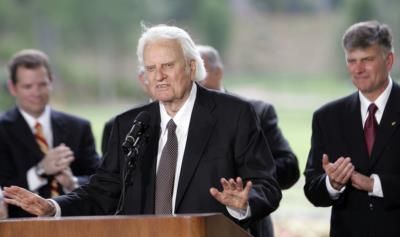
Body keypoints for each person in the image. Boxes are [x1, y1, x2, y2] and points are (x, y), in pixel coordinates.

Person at [4, 25, 281, 233]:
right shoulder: (129, 124)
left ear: (191, 66)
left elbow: (267, 186)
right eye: (150, 68)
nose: (158, 76)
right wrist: (53, 207)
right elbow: (102, 191)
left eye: (167, 66)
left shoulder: (234, 114)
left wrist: (241, 204)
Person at [304, 20, 400, 236]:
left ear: (389, 60)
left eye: (367, 60)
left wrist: (373, 184)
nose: (358, 69)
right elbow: (312, 189)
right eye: (352, 61)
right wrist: (332, 184)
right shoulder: (327, 117)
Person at [197, 45, 300, 237]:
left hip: (248, 228)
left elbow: (289, 169)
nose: (195, 77)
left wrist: (248, 174)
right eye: (191, 70)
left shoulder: (256, 112)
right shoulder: (179, 119)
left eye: (200, 70)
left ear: (218, 72)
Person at [0, 49, 100, 217]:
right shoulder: (2, 130)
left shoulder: (78, 127)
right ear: (13, 87)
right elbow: (3, 189)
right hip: (21, 227)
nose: (36, 93)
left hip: (74, 223)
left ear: (51, 81)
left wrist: (73, 182)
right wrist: (40, 170)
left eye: (42, 84)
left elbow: (101, 179)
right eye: (28, 86)